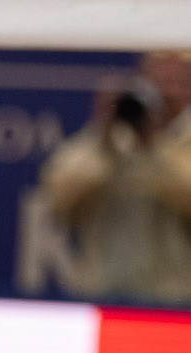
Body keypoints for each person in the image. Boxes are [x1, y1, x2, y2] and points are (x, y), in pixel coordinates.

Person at [38, 51, 191, 305]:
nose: (166, 92)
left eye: (176, 82)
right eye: (158, 81)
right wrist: (105, 135)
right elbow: (57, 199)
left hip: (176, 304)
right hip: (104, 298)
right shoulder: (105, 143)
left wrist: (151, 145)